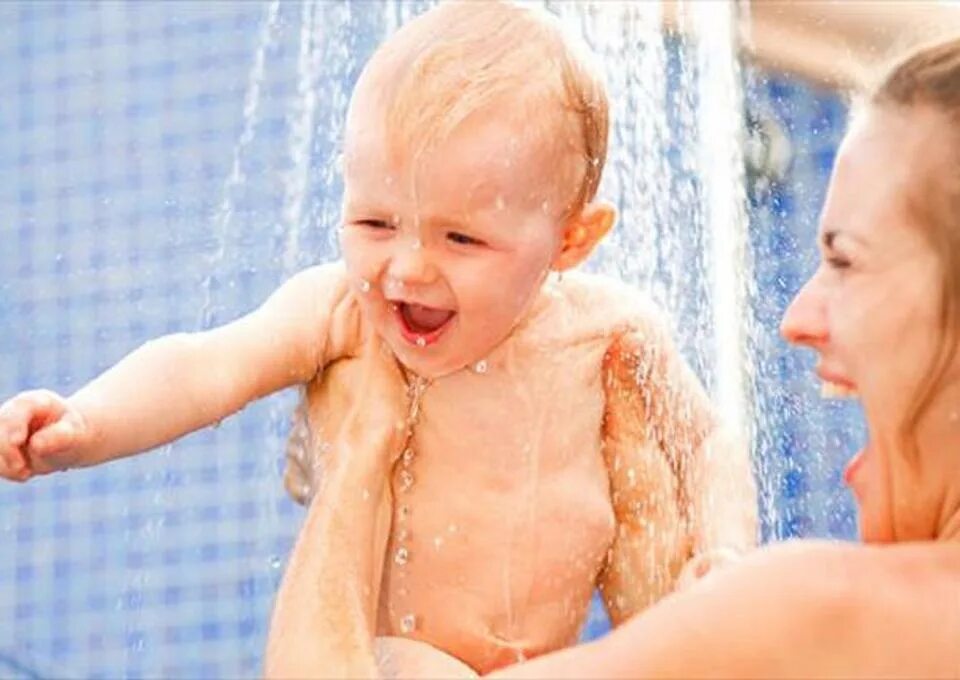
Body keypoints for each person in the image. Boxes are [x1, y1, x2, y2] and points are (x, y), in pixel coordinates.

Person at [0, 2, 755, 672]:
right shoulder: (342, 315)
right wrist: (87, 420)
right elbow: (207, 366)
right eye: (375, 223)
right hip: (396, 657)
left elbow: (709, 445)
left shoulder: (607, 332)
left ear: (570, 240)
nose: (407, 269)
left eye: (461, 238)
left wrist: (726, 556)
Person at [264, 34, 960, 679]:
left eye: (844, 260)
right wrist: (674, 621)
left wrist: (359, 451)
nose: (795, 318)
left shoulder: (819, 611)